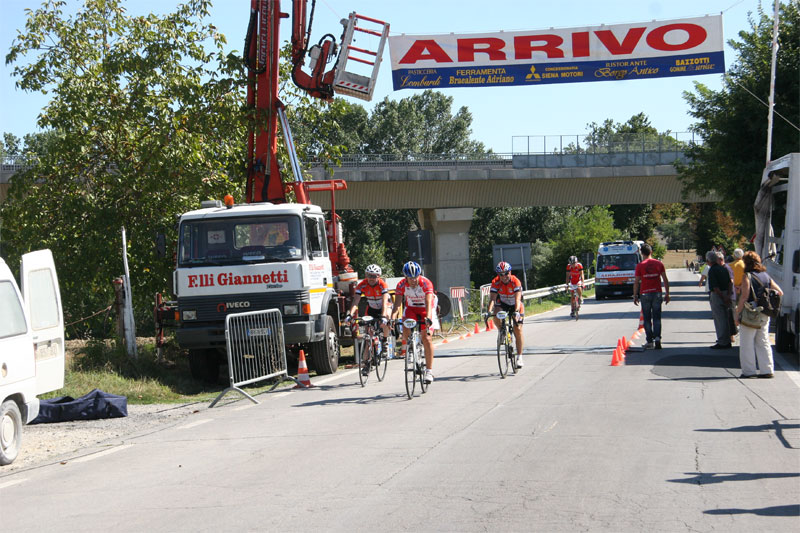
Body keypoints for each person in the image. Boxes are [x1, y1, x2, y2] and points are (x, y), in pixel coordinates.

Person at [734, 251, 783, 378]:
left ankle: (748, 371)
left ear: (745, 263)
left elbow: (744, 297)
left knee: (747, 343)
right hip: (764, 313)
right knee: (763, 341)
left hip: (751, 313)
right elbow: (780, 292)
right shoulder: (766, 276)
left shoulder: (747, 277)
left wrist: (737, 313)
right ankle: (767, 369)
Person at [391, 261, 436, 384]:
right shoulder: (401, 285)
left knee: (427, 338)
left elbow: (428, 302)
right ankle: (409, 347)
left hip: (425, 309)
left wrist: (428, 318)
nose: (413, 280)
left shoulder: (426, 283)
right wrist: (393, 318)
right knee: (405, 324)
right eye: (410, 278)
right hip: (411, 308)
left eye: (416, 277)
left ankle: (429, 371)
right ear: (406, 277)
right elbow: (397, 305)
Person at [345, 264, 393, 367]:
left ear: (378, 276)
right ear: (366, 275)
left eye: (374, 276)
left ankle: (384, 340)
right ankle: (366, 362)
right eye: (369, 275)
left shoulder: (382, 285)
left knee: (387, 317)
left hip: (384, 306)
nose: (371, 278)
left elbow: (385, 302)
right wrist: (350, 314)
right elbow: (355, 302)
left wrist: (383, 317)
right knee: (368, 336)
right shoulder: (362, 285)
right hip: (371, 308)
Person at [487, 261, 525, 367]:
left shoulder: (515, 281)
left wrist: (516, 312)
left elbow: (518, 299)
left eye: (506, 273)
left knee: (518, 329)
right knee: (495, 313)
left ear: (510, 272)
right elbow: (492, 299)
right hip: (503, 304)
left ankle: (519, 357)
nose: (504, 276)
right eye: (501, 274)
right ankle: (502, 331)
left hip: (515, 305)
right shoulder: (496, 282)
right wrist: (488, 311)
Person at [633, 243, 670, 349]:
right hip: (657, 293)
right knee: (657, 317)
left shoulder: (640, 266)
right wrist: (667, 293)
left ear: (642, 253)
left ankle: (650, 341)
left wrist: (635, 295)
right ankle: (657, 338)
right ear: (651, 252)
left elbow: (636, 281)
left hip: (645, 293)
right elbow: (665, 279)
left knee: (647, 318)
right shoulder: (659, 264)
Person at [706, 250, 733, 349]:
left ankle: (722, 341)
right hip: (726, 292)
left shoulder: (712, 270)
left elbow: (715, 287)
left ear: (709, 260)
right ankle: (727, 339)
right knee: (725, 318)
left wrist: (723, 297)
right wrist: (728, 295)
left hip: (718, 295)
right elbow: (730, 283)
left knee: (719, 319)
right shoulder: (723, 268)